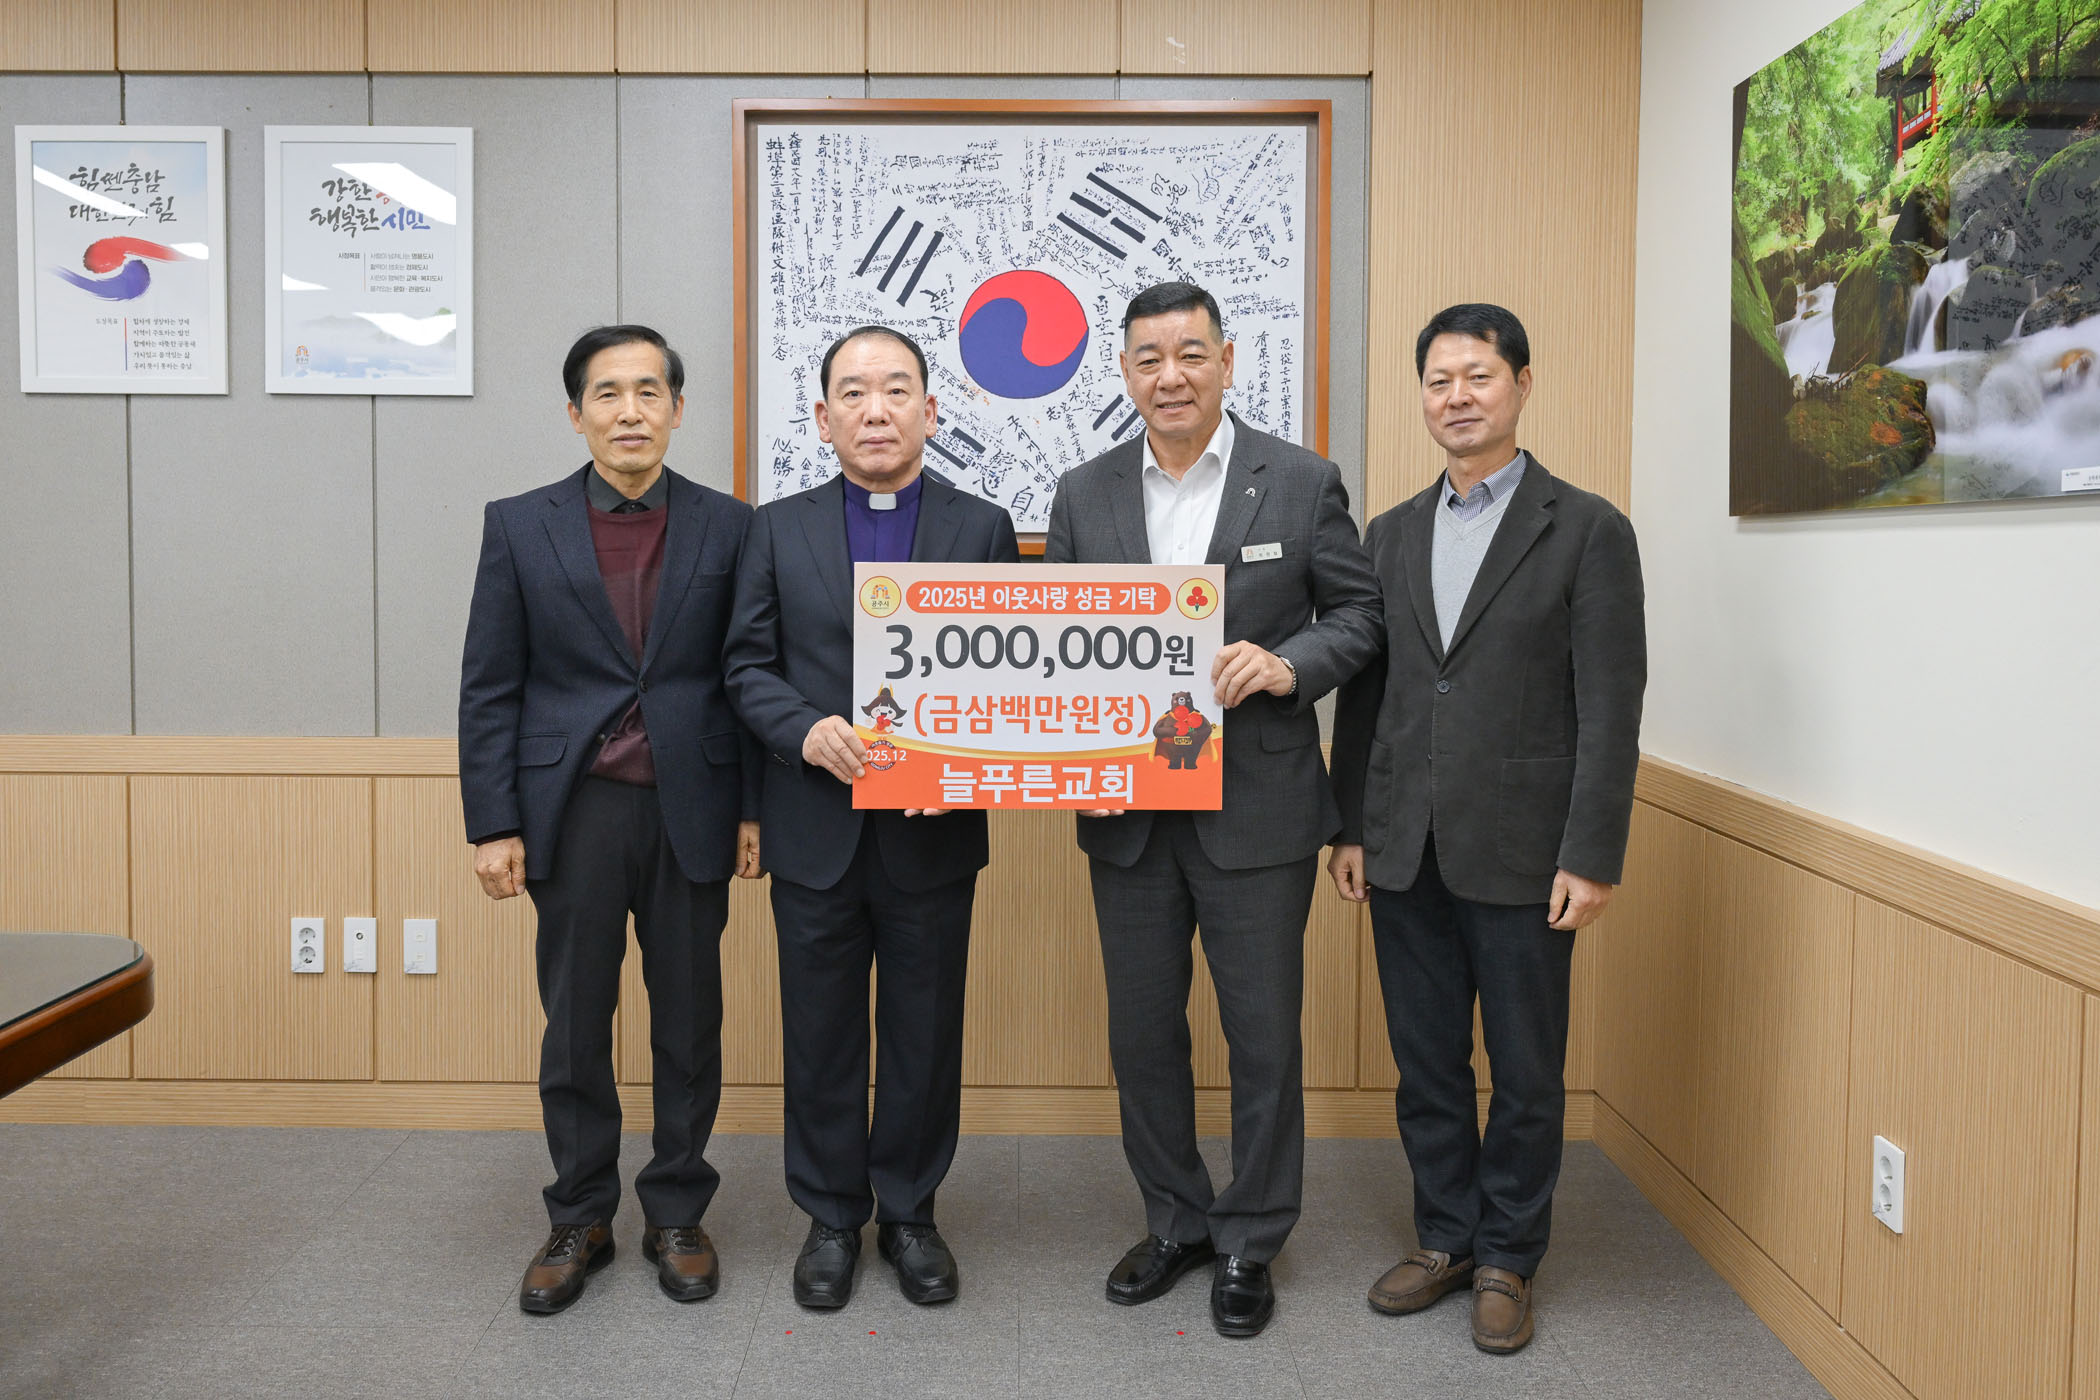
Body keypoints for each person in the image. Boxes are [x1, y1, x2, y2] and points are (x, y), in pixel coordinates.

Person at [1044, 281, 1382, 1338]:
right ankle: (1176, 1218)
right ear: (1125, 372)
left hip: (1259, 808)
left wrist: (1286, 665)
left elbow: (1360, 614)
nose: (1171, 376)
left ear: (1227, 361)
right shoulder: (1084, 492)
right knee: (1143, 1033)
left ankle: (1251, 1236)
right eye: (1149, 358)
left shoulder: (1302, 479)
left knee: (1262, 1035)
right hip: (1129, 811)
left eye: (1191, 353)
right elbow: (1053, 645)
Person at [1329, 303, 1646, 1354]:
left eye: (1478, 375)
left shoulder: (1587, 528)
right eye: (1439, 380)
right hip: (1404, 844)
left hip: (1526, 849)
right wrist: (1350, 825)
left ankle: (1509, 1253)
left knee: (1524, 1070)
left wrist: (1591, 854)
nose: (1457, 397)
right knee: (1426, 1062)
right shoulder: (1389, 533)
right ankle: (1446, 1237)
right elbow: (1367, 698)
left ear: (1521, 384)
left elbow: (1611, 705)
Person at [459, 325, 762, 1314]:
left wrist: (752, 806)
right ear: (576, 412)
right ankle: (580, 1213)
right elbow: (490, 684)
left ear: (677, 408)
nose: (630, 411)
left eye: (648, 392)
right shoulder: (519, 524)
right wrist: (492, 822)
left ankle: (677, 1209)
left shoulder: (731, 526)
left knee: (690, 1021)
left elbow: (749, 676)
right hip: (573, 806)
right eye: (608, 393)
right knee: (576, 1022)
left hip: (692, 804)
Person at [724, 325, 1018, 1310]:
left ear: (930, 411)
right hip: (815, 825)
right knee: (820, 1035)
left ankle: (912, 1212)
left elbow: (1009, 677)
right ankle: (830, 1216)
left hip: (933, 830)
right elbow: (744, 667)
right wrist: (804, 730)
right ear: (823, 418)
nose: (876, 409)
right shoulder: (774, 528)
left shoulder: (982, 526)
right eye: (853, 392)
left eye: (896, 389)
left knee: (925, 1034)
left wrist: (965, 762)